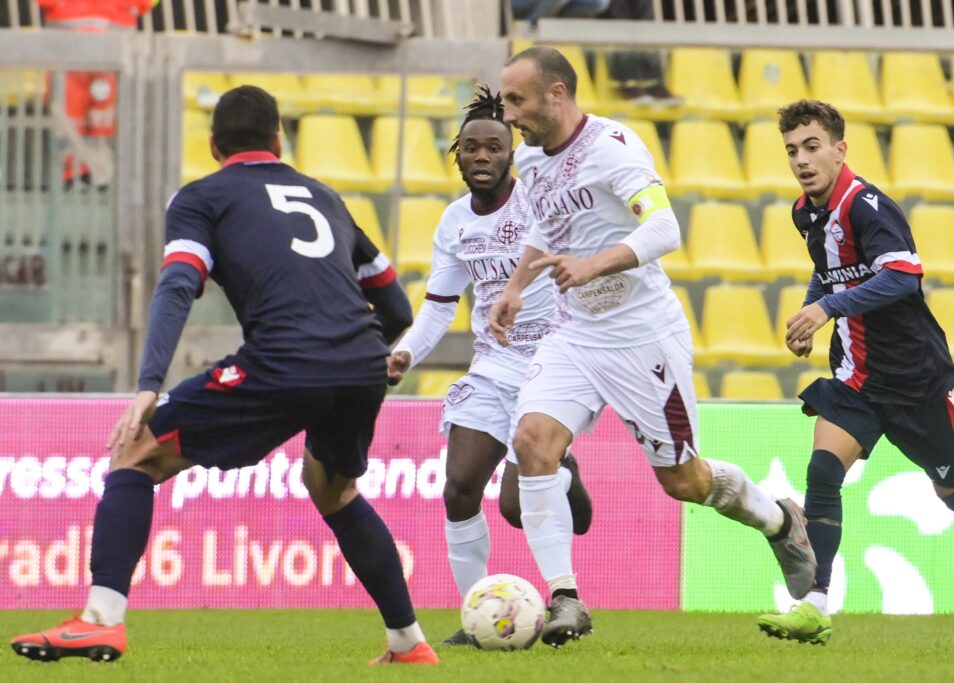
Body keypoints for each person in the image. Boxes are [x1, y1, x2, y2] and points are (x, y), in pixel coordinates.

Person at [9, 85, 439, 666]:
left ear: (214, 147)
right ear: (279, 140)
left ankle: (100, 621)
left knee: (135, 454)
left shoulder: (202, 198)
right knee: (334, 489)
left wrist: (149, 384)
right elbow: (396, 308)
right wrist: (362, 356)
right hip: (361, 364)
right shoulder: (326, 196)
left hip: (284, 359)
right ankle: (408, 643)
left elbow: (178, 283)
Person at [490, 45, 816, 648]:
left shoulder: (613, 148)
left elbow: (665, 228)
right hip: (575, 334)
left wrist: (592, 265)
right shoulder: (531, 157)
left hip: (642, 338)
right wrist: (515, 287)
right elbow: (543, 222)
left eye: (517, 100)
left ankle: (779, 521)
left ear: (557, 93)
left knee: (685, 482)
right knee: (533, 441)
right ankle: (565, 598)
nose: (507, 114)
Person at [757, 99, 954, 645]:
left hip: (918, 380)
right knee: (823, 472)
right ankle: (814, 604)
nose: (801, 160)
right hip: (857, 376)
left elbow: (903, 277)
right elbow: (828, 271)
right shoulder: (806, 212)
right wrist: (810, 314)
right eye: (792, 150)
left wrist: (826, 309)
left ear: (839, 150)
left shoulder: (867, 206)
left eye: (812, 147)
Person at [386, 85, 593, 646]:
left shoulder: (538, 205)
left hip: (549, 364)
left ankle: (562, 477)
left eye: (494, 148)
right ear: (457, 156)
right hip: (493, 366)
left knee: (514, 506)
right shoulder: (454, 222)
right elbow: (438, 306)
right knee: (458, 488)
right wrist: (405, 352)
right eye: (472, 148)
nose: (482, 156)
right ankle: (478, 617)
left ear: (510, 155)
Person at [36, 0, 157, 186]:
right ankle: (76, 170)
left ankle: (97, 172)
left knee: (103, 109)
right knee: (73, 106)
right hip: (74, 35)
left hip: (107, 34)